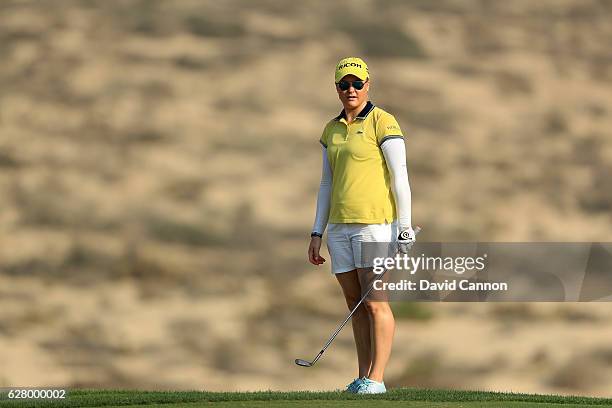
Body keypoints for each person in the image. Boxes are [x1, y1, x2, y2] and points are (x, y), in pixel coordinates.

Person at [308, 57, 415, 394]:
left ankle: (378, 380)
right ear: (336, 88)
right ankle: (363, 377)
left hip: (375, 224)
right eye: (344, 84)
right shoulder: (331, 129)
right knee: (355, 303)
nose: (350, 89)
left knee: (375, 301)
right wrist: (316, 232)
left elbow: (400, 177)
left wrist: (405, 226)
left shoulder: (383, 122)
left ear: (368, 84)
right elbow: (326, 184)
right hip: (339, 227)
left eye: (356, 83)